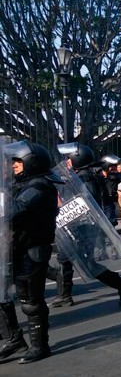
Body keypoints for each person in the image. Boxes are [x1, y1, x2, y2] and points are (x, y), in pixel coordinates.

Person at [47, 144, 121, 308]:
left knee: (87, 265)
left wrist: (63, 205)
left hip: (82, 227)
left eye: (69, 158)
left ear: (76, 159)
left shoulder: (85, 179)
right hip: (74, 226)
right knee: (64, 260)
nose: (66, 162)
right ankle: (65, 295)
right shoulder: (80, 175)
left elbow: (82, 205)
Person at [0, 141, 59, 363]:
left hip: (32, 250)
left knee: (31, 301)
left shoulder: (39, 187)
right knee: (1, 295)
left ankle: (40, 346)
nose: (13, 166)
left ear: (30, 162)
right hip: (13, 248)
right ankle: (14, 339)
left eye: (17, 161)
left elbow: (14, 211)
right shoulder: (20, 184)